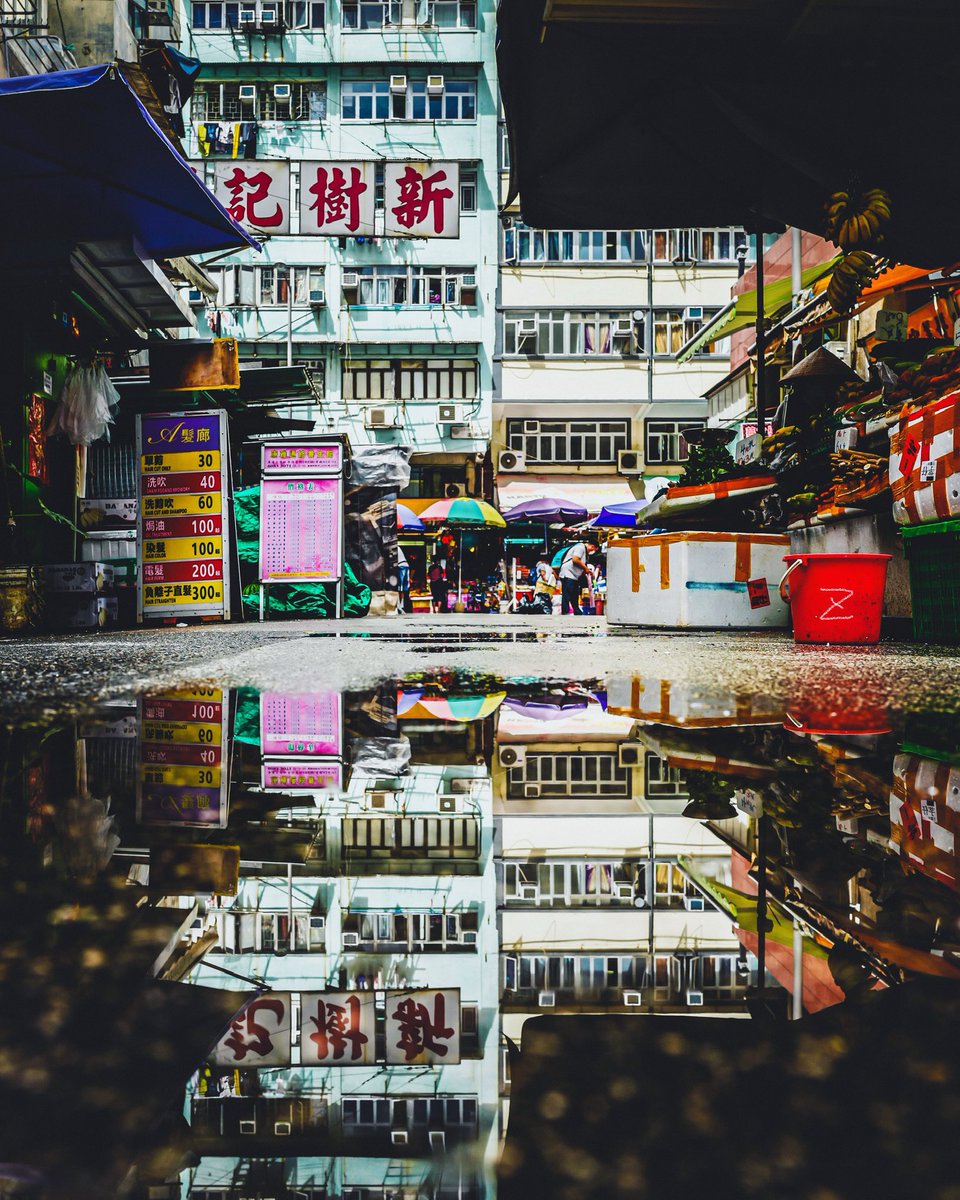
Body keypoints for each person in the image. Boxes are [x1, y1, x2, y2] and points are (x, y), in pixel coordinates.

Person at [558, 540, 595, 615]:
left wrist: (586, 571)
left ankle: (577, 611)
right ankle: (565, 611)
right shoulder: (580, 547)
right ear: (592, 546)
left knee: (574, 594)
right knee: (567, 593)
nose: (591, 552)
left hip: (574, 575)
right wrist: (586, 568)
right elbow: (575, 559)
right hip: (568, 573)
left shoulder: (584, 552)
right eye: (593, 550)